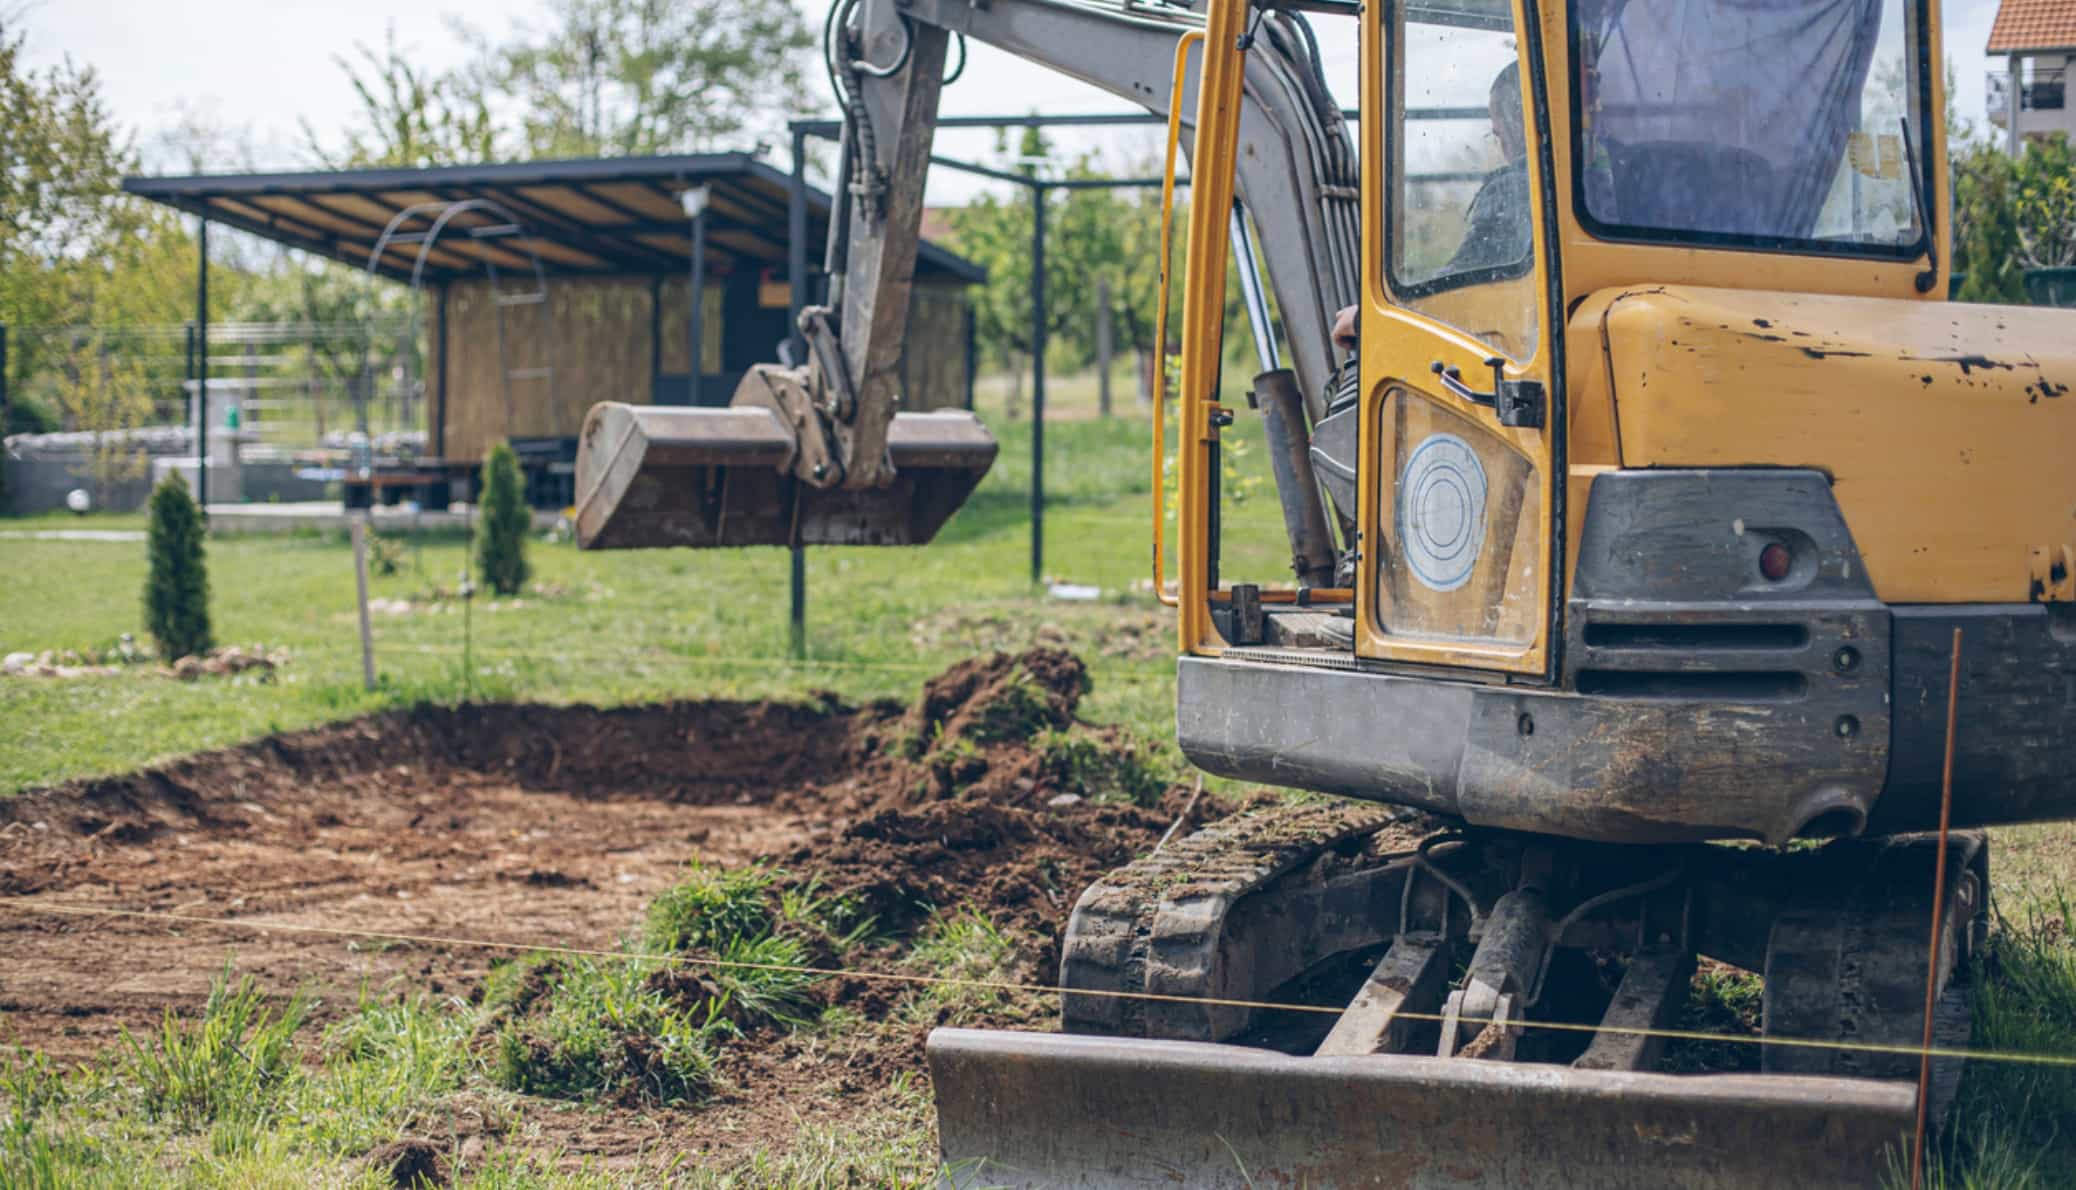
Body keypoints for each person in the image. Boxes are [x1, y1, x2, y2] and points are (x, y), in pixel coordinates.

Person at [1332, 59, 1530, 353]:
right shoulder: (1612, 179)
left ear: (1519, 122)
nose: (1501, 148)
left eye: (1498, 135)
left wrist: (1367, 319)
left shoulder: (1514, 191)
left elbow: (1461, 285)